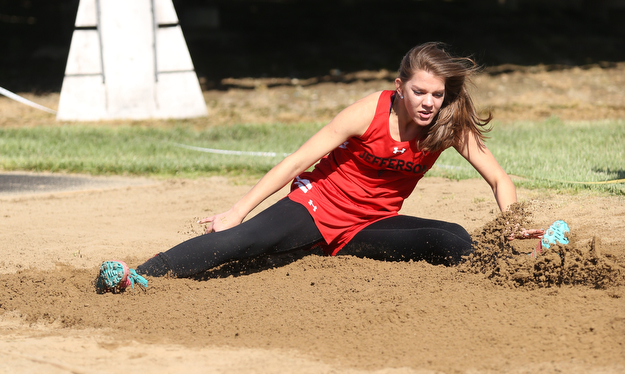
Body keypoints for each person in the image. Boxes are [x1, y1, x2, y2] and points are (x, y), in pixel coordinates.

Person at [96, 42, 549, 293]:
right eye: (420, 92)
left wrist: (511, 225)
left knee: (450, 236)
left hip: (369, 225)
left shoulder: (448, 123)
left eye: (437, 94)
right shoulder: (369, 112)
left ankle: (513, 270)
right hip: (315, 205)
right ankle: (140, 273)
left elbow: (499, 178)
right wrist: (237, 210)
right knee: (242, 243)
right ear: (400, 88)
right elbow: (297, 160)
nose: (429, 102)